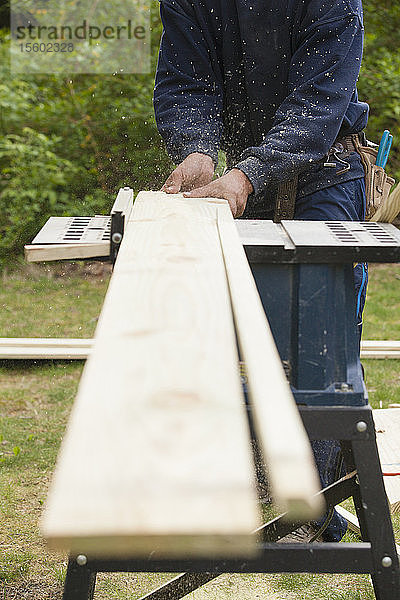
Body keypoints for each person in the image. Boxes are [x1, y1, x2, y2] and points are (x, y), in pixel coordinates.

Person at [153, 0, 369, 542]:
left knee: (317, 348)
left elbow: (316, 110)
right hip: (243, 181)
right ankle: (258, 483)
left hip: (326, 175)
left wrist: (247, 173)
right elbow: (186, 82)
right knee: (243, 332)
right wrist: (198, 150)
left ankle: (312, 509)